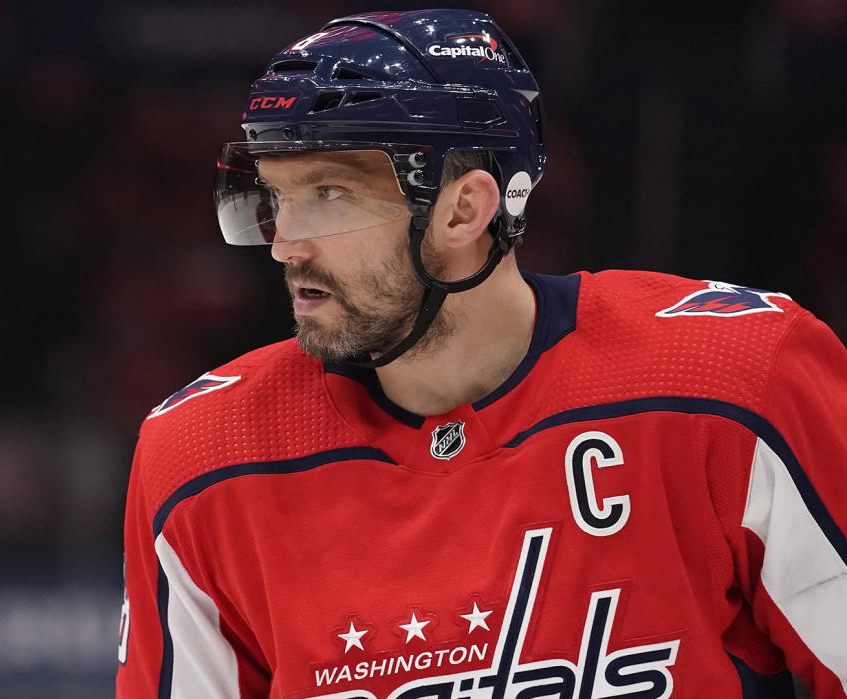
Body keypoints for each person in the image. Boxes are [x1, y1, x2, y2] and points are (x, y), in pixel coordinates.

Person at [116, 9, 847, 698]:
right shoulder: (203, 460)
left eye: (330, 195)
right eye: (277, 198)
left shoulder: (732, 381)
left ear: (466, 208)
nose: (285, 244)